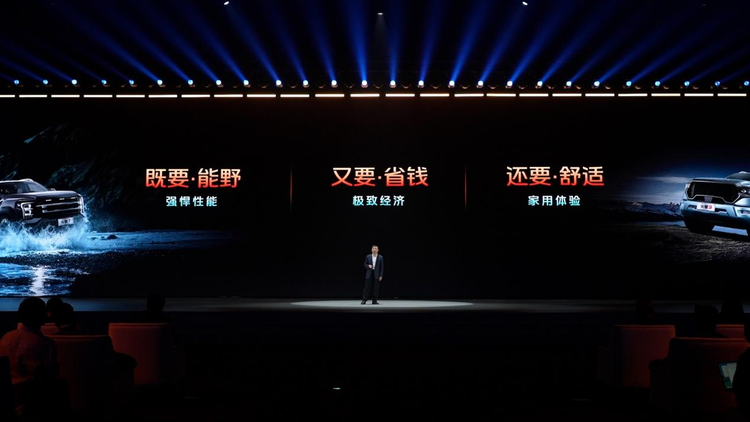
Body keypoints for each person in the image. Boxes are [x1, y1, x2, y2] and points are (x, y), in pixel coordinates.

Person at [0, 297, 66, 416]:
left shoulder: (5, 338)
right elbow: (47, 378)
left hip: (7, 401)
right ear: (43, 315)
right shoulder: (44, 344)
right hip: (31, 405)